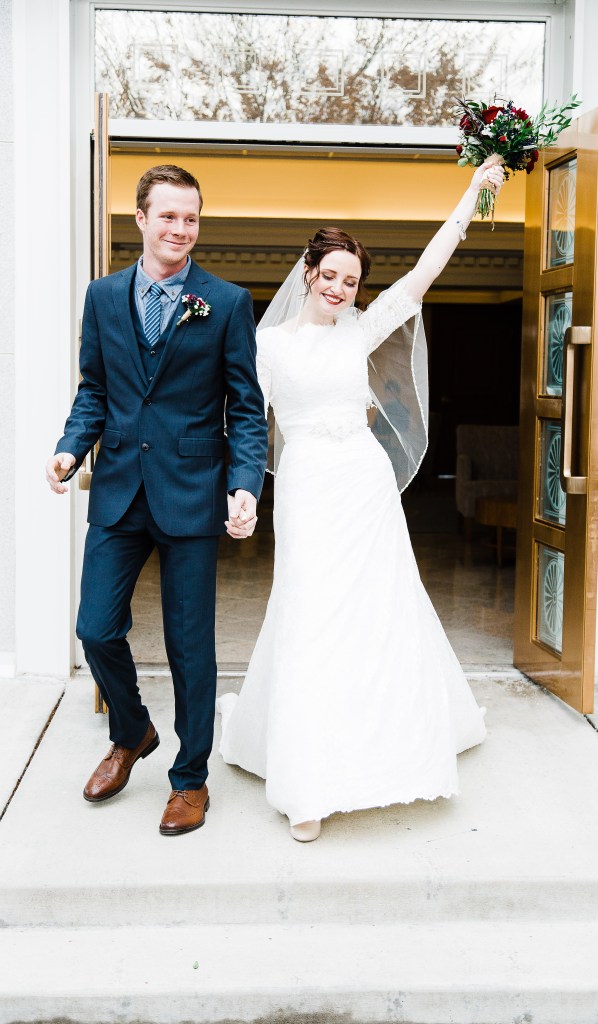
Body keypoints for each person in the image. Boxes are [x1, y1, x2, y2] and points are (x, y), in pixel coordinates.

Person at [217, 156, 505, 842]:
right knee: (311, 614)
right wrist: (241, 492)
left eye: (351, 281)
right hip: (308, 484)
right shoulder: (267, 344)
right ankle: (307, 783)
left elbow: (425, 272)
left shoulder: (361, 330)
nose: (340, 289)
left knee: (380, 607)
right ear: (308, 271)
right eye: (331, 275)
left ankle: (391, 751)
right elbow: (247, 423)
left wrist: (470, 196)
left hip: (364, 484)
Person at [46, 165, 268, 836]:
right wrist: (70, 447)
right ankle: (132, 730)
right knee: (94, 628)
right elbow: (95, 387)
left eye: (190, 217)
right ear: (140, 218)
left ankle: (190, 778)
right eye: (168, 215)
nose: (180, 228)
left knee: (190, 646)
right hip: (119, 489)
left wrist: (244, 483)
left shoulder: (226, 302)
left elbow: (246, 409)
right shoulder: (103, 297)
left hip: (193, 493)